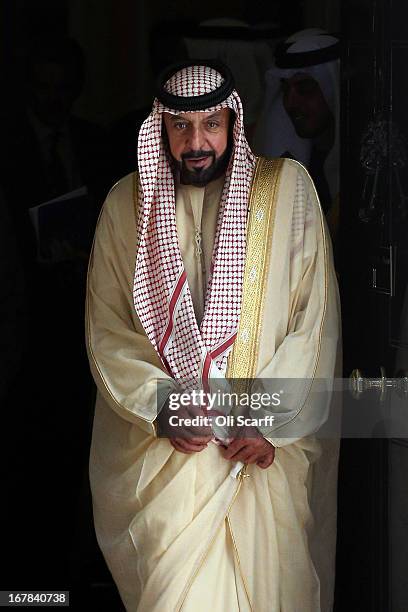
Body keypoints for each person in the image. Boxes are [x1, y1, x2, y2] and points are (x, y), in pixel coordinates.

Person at [86, 60, 341, 611]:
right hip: (171, 464)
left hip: (259, 454)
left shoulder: (287, 192)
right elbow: (107, 329)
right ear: (161, 128)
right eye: (181, 126)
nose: (196, 141)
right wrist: (164, 405)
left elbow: (312, 320)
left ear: (233, 125)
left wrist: (272, 422)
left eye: (211, 125)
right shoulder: (124, 206)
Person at [253, 30, 340, 236]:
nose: (290, 103)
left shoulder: (358, 167)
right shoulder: (288, 165)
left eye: (305, 88)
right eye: (285, 89)